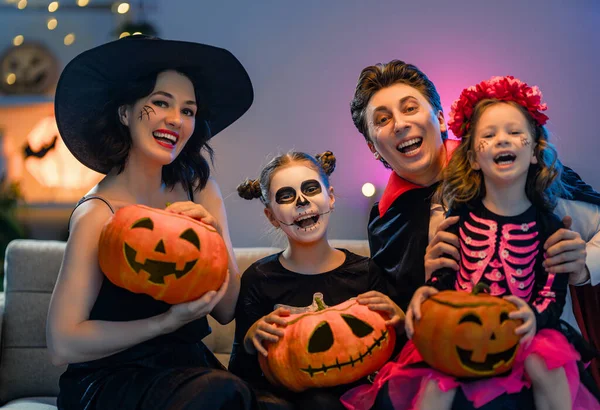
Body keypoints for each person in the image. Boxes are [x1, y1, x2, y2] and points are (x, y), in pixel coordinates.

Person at [342, 75, 600, 410]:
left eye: (409, 108)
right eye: (383, 119)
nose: (400, 124)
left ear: (438, 118)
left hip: (536, 355)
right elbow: (406, 304)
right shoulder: (385, 218)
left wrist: (583, 266)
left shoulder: (523, 174)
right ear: (373, 147)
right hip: (453, 354)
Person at [45, 35, 267, 410]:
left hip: (190, 370)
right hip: (112, 380)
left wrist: (211, 233)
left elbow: (227, 310)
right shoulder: (97, 212)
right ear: (125, 113)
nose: (175, 120)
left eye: (188, 110)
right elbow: (62, 342)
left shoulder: (200, 189)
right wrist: (165, 322)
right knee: (219, 395)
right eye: (160, 103)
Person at [229, 151, 405, 409]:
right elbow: (242, 373)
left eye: (310, 189)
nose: (301, 201)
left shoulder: (367, 272)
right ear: (272, 217)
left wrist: (400, 324)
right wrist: (250, 340)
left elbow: (392, 358)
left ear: (330, 197)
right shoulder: (259, 279)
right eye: (286, 196)